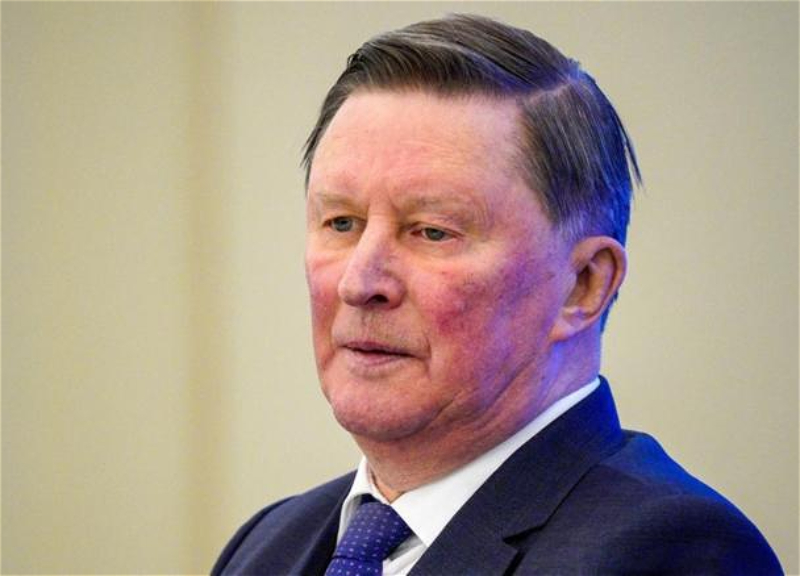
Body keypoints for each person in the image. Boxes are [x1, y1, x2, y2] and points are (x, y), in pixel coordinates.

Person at [212, 14, 782, 575]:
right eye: (341, 223)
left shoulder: (672, 552)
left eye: (432, 231)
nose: (360, 283)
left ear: (583, 285)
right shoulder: (266, 547)